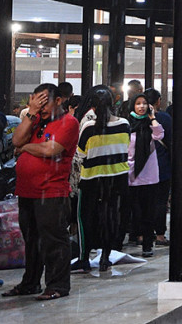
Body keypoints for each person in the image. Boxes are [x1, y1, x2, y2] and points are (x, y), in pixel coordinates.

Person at [3, 83, 79, 300]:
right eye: (36, 101)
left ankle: (57, 286)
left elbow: (51, 149)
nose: (40, 106)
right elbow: (16, 140)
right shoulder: (35, 121)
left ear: (58, 100)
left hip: (52, 192)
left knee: (53, 240)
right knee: (32, 239)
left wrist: (26, 148)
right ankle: (30, 282)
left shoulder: (69, 122)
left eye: (44, 101)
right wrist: (32, 114)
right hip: (27, 191)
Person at [73, 86, 131, 273]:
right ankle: (106, 256)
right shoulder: (124, 124)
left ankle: (84, 258)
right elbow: (126, 146)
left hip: (92, 179)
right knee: (110, 217)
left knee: (85, 218)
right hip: (117, 178)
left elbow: (81, 154)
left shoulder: (89, 127)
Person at [126, 93, 164, 257]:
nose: (141, 107)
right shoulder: (126, 123)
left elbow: (159, 135)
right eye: (137, 104)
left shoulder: (150, 123)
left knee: (149, 212)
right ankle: (133, 237)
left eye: (144, 104)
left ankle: (148, 244)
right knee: (132, 210)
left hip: (148, 173)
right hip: (130, 172)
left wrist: (152, 117)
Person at [144, 88, 172, 247]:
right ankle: (160, 234)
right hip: (161, 164)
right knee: (161, 201)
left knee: (144, 201)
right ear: (158, 101)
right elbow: (171, 139)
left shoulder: (136, 118)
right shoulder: (164, 118)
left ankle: (141, 234)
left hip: (141, 166)